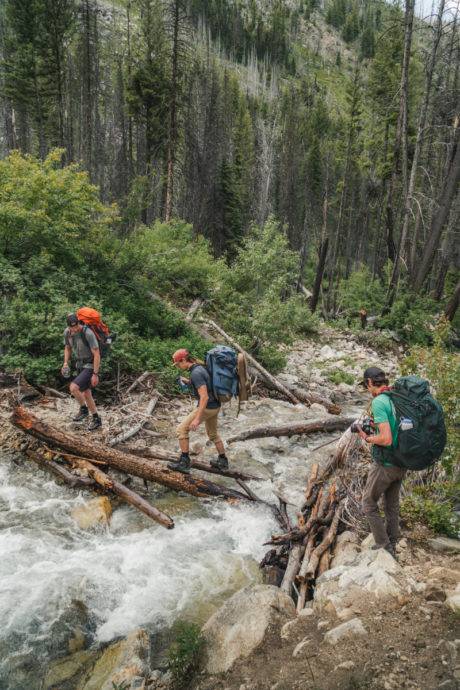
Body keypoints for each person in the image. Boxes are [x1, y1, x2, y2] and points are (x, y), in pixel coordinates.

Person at [359, 366, 406, 557]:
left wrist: (367, 437)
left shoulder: (379, 402)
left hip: (385, 464)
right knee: (391, 504)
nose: (367, 389)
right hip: (401, 462)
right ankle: (394, 538)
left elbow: (386, 439)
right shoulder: (395, 397)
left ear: (370, 382)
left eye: (365, 385)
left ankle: (383, 545)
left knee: (368, 502)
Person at [168, 348, 229, 474]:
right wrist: (188, 382)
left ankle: (184, 462)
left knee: (181, 429)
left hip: (207, 407)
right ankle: (223, 461)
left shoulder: (196, 373)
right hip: (215, 406)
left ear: (184, 360)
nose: (178, 366)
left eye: (178, 364)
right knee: (213, 435)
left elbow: (204, 396)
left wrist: (197, 419)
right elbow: (204, 384)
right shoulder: (200, 367)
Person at [62, 313, 102, 431]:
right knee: (86, 393)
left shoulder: (87, 333)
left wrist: (95, 374)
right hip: (79, 364)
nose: (74, 329)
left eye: (76, 326)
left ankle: (84, 410)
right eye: (72, 327)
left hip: (90, 364)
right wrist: (65, 363)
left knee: (74, 387)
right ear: (68, 326)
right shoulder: (67, 333)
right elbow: (67, 348)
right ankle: (96, 419)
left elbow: (97, 354)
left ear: (79, 322)